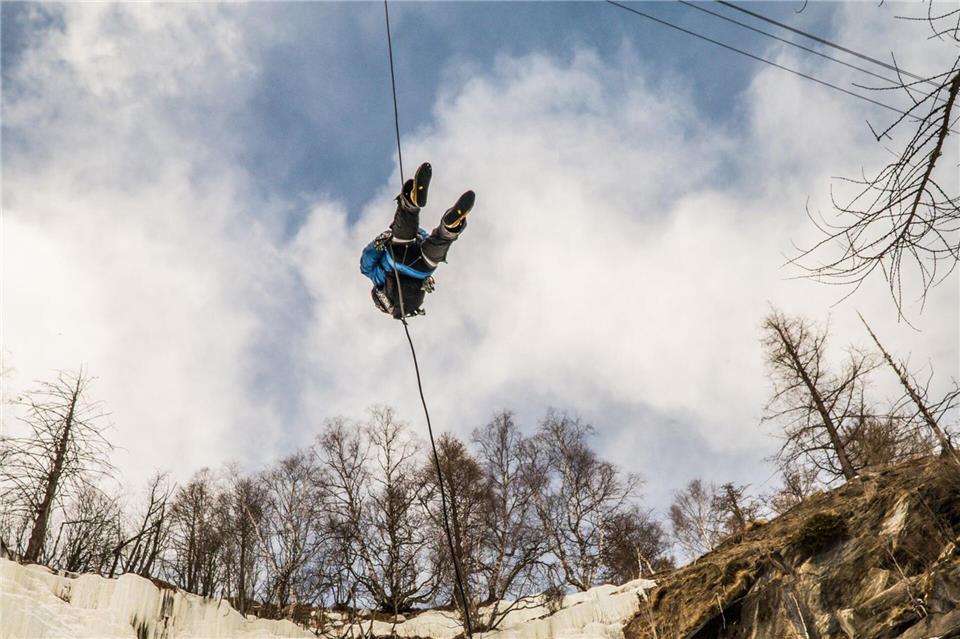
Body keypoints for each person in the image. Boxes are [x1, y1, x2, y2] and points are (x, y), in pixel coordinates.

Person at [360, 162, 475, 318]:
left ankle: (449, 229)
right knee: (403, 234)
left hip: (422, 269)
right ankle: (411, 201)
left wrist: (426, 280)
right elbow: (367, 259)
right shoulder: (373, 276)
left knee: (438, 243)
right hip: (398, 258)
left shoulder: (409, 301)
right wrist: (379, 242)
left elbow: (426, 240)